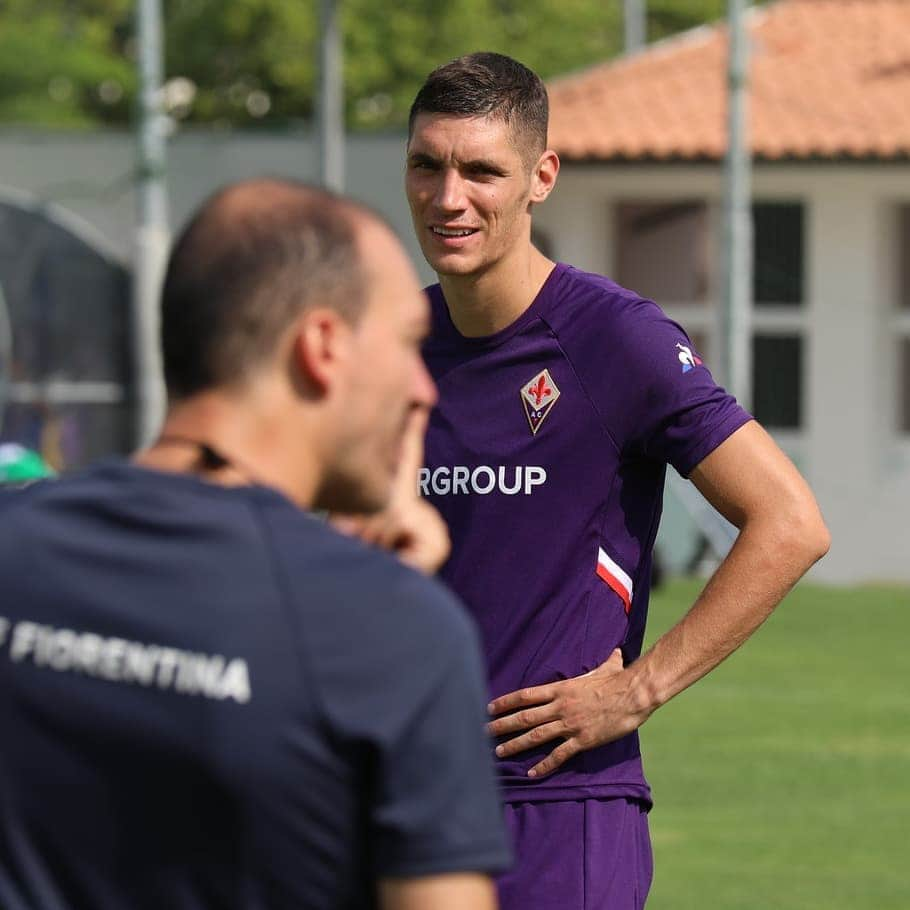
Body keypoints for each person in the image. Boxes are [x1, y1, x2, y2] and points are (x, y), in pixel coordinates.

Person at [0, 180, 509, 910]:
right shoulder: (395, 637)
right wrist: (387, 621)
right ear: (323, 348)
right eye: (407, 345)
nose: (425, 389)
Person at [404, 53, 830, 909]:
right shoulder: (392, 350)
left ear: (541, 177)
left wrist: (640, 689)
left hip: (562, 806)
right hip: (407, 806)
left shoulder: (613, 340)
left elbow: (789, 521)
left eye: (482, 170)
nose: (450, 198)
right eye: (428, 165)